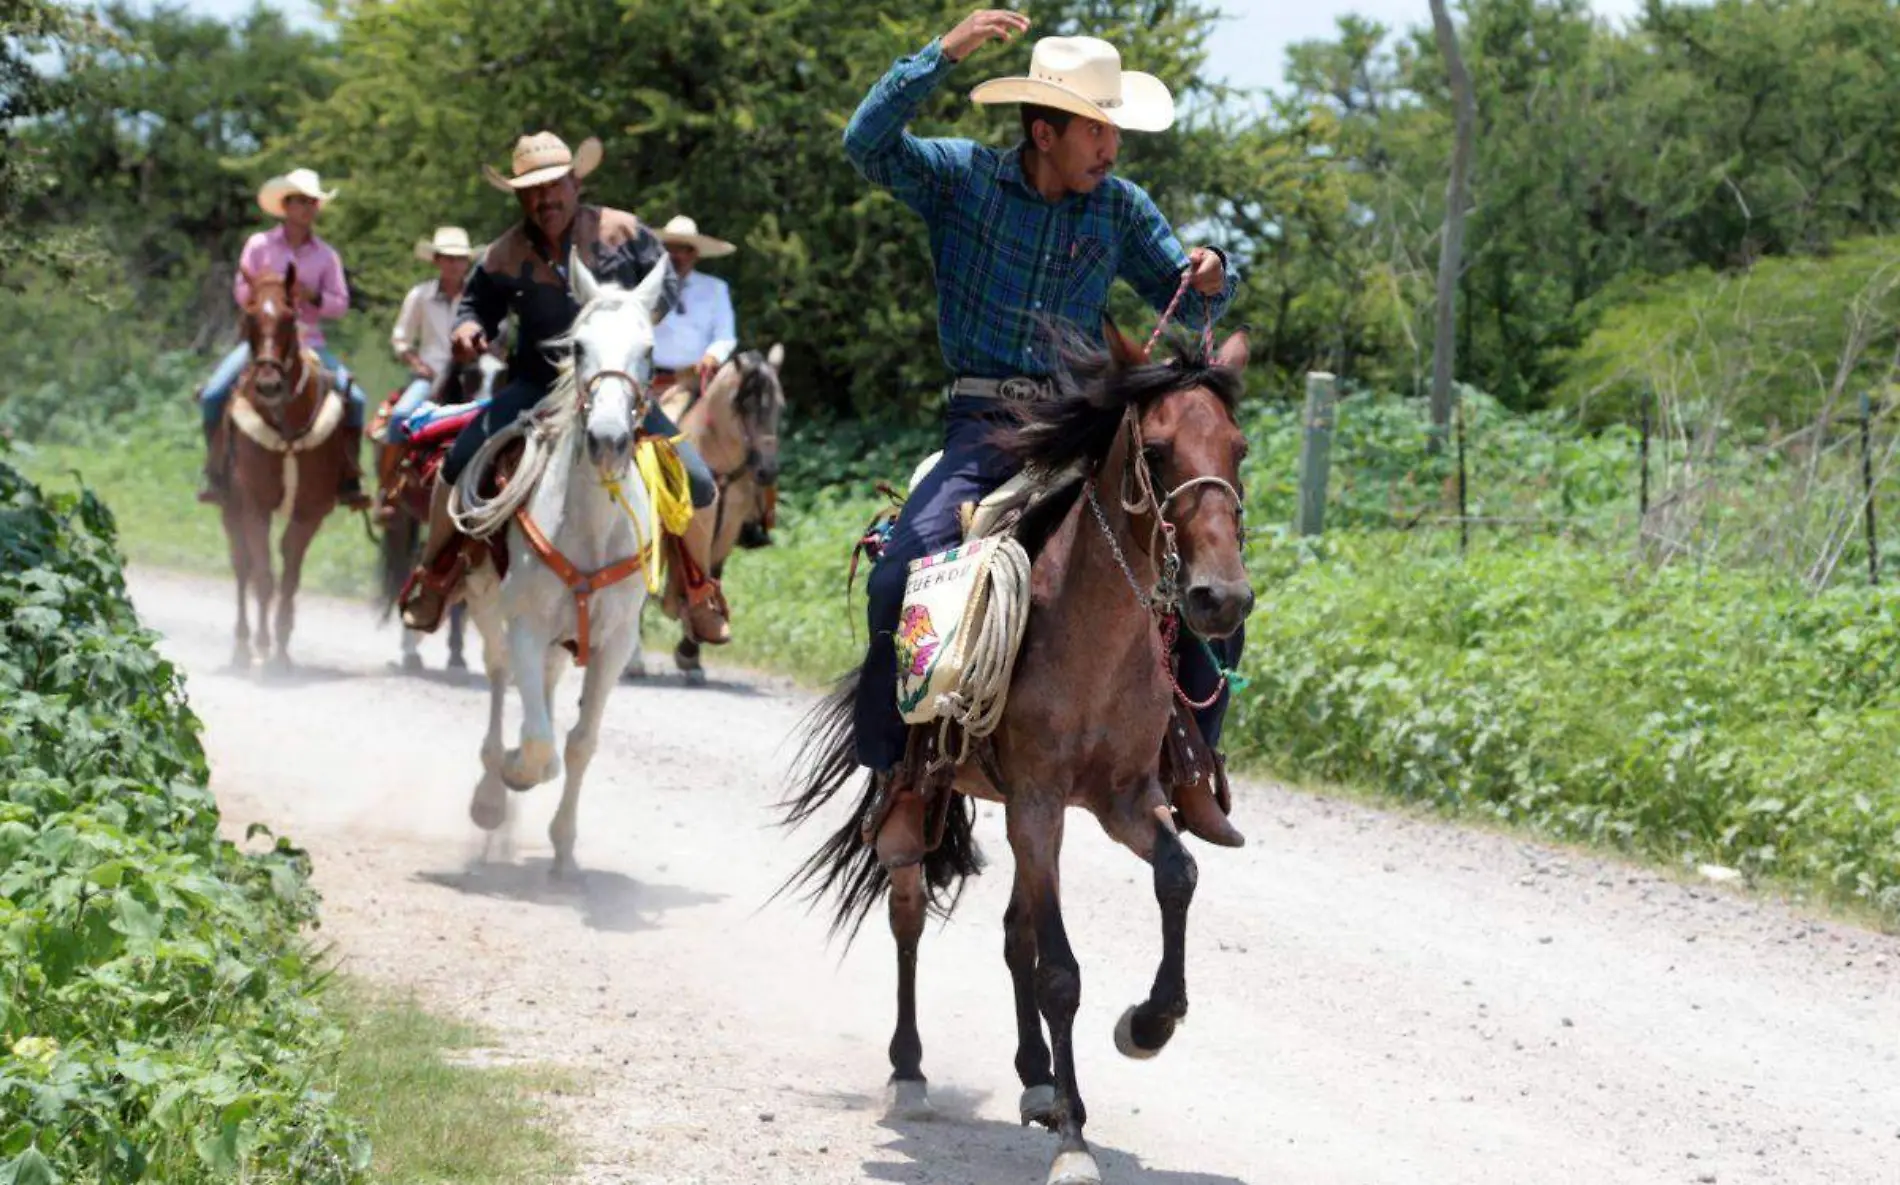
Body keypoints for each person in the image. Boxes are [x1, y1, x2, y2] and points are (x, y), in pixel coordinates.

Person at [845, 11, 1245, 844]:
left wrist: (1212, 275)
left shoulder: (1121, 210)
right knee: (900, 576)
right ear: (1043, 131)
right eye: (1097, 131)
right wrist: (943, 54)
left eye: (1114, 131)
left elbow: (1189, 286)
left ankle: (1189, 758)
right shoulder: (961, 181)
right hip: (985, 425)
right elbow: (868, 144)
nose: (1112, 149)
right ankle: (904, 776)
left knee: (1204, 570)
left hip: (1083, 427)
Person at [396, 131, 732, 645]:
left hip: (620, 386)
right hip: (535, 383)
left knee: (700, 483)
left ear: (575, 183)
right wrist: (467, 329)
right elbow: (474, 306)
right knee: (457, 464)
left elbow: (663, 282)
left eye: (553, 186)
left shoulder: (624, 231)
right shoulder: (504, 253)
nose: (543, 199)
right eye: (530, 190)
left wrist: (633, 321)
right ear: (518, 196)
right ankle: (434, 576)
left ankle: (696, 589)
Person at [197, 168, 370, 507]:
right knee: (214, 394)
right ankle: (216, 472)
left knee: (358, 400)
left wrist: (311, 297)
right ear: (285, 206)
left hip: (310, 342)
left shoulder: (326, 256)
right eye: (300, 201)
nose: (306, 208)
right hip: (263, 342)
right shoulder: (259, 245)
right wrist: (269, 296)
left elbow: (339, 304)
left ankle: (349, 477)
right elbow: (241, 291)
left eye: (311, 202)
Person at [385, 225, 479, 431]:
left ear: (467, 262)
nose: (455, 264)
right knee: (400, 416)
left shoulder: (478, 299)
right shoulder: (420, 295)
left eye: (460, 258)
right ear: (437, 260)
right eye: (449, 258)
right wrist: (416, 363)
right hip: (430, 375)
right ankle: (391, 464)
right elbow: (401, 338)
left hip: (471, 377)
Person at [651, 214, 739, 397]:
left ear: (694, 254)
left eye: (680, 249)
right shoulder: (645, 288)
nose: (673, 255)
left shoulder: (714, 289)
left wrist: (713, 356)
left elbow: (725, 335)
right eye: (668, 249)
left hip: (695, 382)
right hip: (648, 380)